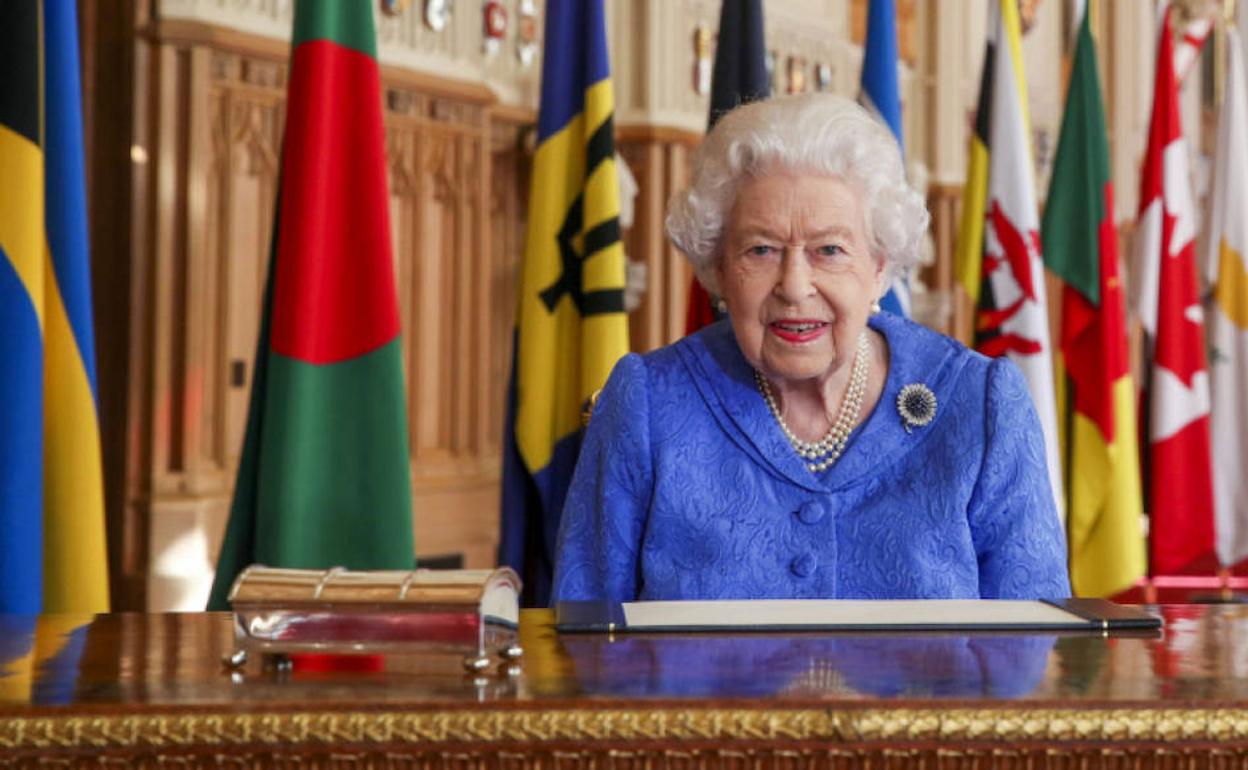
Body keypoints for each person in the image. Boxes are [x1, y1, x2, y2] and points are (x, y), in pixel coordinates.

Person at [550, 93, 1070, 602]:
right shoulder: (649, 404)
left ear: (879, 267)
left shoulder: (979, 406)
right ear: (719, 268)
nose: (795, 287)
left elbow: (1037, 641)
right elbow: (583, 633)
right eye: (762, 249)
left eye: (829, 250)